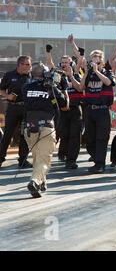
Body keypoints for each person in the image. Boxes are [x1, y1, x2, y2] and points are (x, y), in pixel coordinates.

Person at [22, 62, 69, 198]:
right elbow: (65, 106)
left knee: (37, 157)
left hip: (29, 127)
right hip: (46, 127)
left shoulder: (26, 87)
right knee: (44, 160)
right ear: (46, 74)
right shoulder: (51, 88)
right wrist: (58, 87)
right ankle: (35, 182)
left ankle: (42, 181)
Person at [77, 37, 116, 173]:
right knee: (90, 139)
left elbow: (108, 83)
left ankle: (100, 164)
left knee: (101, 138)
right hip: (90, 110)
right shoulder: (89, 72)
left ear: (101, 60)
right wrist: (86, 72)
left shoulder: (106, 71)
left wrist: (97, 71)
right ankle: (96, 158)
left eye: (96, 57)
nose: (94, 60)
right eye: (92, 58)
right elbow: (81, 87)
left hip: (102, 110)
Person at [46, 41, 84, 170]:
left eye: (66, 62)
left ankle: (71, 160)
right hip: (62, 110)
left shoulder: (77, 74)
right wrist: (48, 52)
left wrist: (71, 76)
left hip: (75, 109)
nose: (64, 64)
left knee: (75, 135)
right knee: (63, 133)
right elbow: (50, 64)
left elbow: (80, 88)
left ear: (71, 63)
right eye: (62, 62)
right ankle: (62, 154)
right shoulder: (57, 75)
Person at [0, 55, 32, 168]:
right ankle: (0, 158)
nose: (30, 66)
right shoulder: (9, 75)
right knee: (7, 134)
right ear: (20, 65)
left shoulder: (31, 76)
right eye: (28, 64)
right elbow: (1, 89)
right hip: (13, 107)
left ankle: (23, 160)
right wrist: (7, 96)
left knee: (24, 135)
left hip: (26, 108)